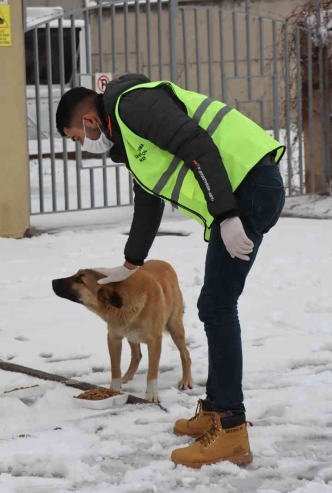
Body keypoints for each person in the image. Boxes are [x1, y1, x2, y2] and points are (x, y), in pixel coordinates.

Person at [55, 74, 286, 468]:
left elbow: (196, 144)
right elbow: (148, 199)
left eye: (77, 137)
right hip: (238, 190)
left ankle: (230, 428)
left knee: (217, 306)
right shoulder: (128, 135)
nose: (83, 145)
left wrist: (227, 214)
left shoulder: (132, 105)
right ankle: (216, 411)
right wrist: (130, 262)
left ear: (90, 121)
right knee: (213, 304)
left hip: (249, 187)